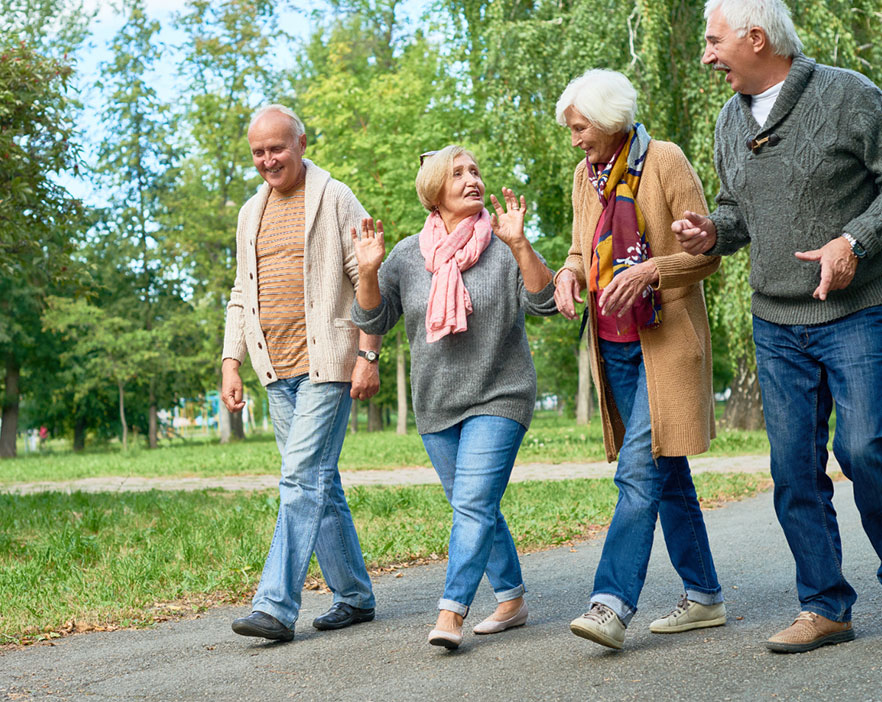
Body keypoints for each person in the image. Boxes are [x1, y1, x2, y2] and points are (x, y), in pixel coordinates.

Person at [673, 0, 882, 653]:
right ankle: (824, 606)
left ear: (756, 39)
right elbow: (740, 214)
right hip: (777, 320)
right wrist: (714, 231)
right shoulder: (728, 122)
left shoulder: (849, 96)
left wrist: (855, 239)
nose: (706, 55)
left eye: (714, 42)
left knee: (867, 449)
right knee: (794, 469)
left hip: (857, 311)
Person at [350, 145, 557, 649]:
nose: (473, 180)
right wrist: (370, 273)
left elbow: (546, 301)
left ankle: (451, 612)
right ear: (434, 190)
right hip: (437, 402)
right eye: (459, 173)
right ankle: (511, 600)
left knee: (471, 503)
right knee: (476, 506)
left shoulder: (504, 242)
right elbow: (374, 321)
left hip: (500, 393)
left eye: (477, 171)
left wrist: (522, 246)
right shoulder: (405, 255)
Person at [553, 69, 725, 651]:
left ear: (608, 120)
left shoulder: (666, 160)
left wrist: (653, 268)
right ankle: (704, 597)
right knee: (665, 471)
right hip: (615, 347)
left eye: (579, 128)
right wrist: (569, 274)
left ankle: (610, 604)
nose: (574, 139)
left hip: (666, 345)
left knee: (637, 473)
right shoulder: (585, 176)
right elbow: (582, 248)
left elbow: (708, 254)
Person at [221, 104, 381, 643]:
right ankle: (355, 596)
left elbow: (367, 273)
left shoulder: (335, 196)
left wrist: (369, 353)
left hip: (327, 363)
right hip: (276, 368)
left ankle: (274, 606)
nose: (268, 159)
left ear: (302, 143)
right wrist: (231, 361)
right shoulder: (250, 212)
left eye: (276, 148)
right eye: (258, 152)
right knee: (320, 483)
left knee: (299, 479)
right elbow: (241, 293)